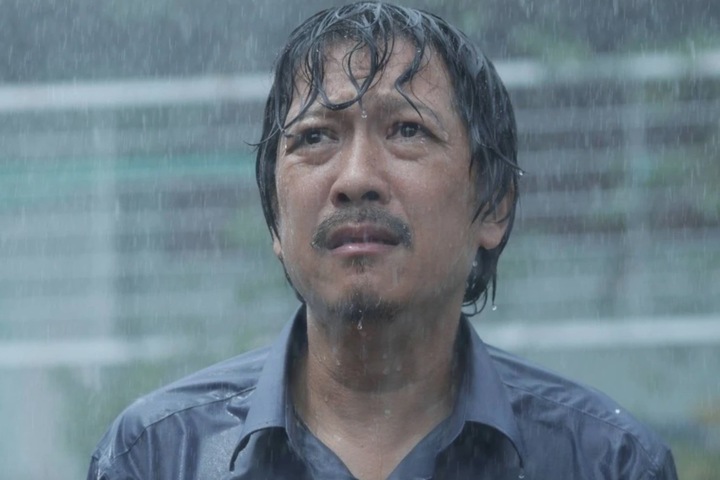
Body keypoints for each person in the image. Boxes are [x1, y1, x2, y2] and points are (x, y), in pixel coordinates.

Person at [87, 2, 678, 479]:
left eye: (406, 129)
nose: (356, 179)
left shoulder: (605, 462)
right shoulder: (159, 456)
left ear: (494, 205)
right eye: (315, 136)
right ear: (274, 220)